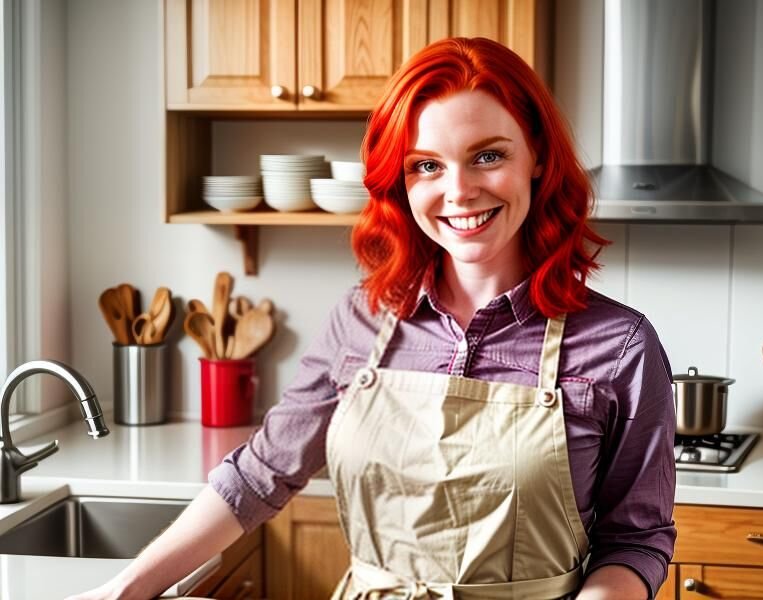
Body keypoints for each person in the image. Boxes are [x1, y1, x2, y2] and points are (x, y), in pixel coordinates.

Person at [69, 37, 676, 600]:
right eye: (427, 165)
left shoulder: (620, 346)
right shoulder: (362, 319)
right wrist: (125, 590)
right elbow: (258, 477)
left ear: (537, 157)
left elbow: (636, 540)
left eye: (488, 156)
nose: (459, 191)